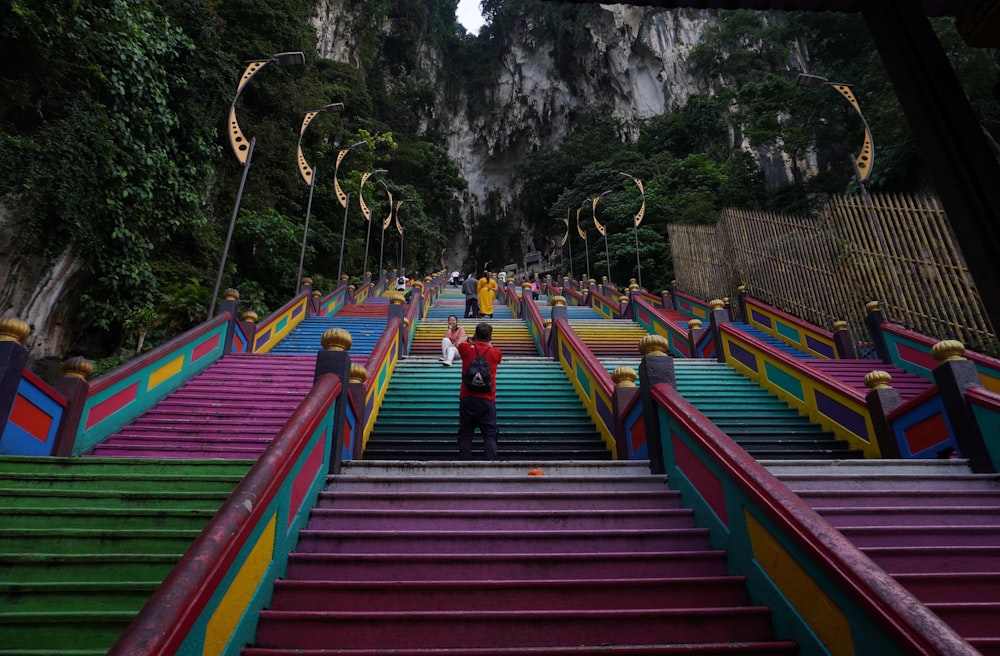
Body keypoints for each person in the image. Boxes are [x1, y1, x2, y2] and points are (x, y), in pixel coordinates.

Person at [456, 322, 503, 461]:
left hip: (467, 397)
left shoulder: (466, 349)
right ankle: (490, 467)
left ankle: (464, 467)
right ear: (491, 337)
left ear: (475, 335)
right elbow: (492, 350)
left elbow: (458, 341)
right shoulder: (496, 353)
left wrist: (470, 337)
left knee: (465, 435)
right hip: (487, 400)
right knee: (489, 435)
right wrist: (487, 342)